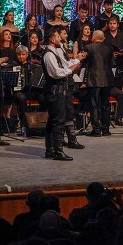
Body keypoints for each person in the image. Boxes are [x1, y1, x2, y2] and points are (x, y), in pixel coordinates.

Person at [43, 25, 87, 160]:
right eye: (57, 36)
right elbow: (56, 73)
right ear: (52, 40)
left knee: (55, 120)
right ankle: (57, 151)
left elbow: (65, 64)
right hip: (54, 91)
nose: (60, 39)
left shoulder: (56, 51)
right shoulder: (49, 54)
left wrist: (77, 60)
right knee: (58, 120)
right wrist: (71, 70)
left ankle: (51, 149)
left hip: (59, 90)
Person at [83, 30, 115, 137]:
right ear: (103, 38)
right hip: (107, 79)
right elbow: (113, 63)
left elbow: (85, 63)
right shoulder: (110, 48)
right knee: (106, 105)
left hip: (94, 80)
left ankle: (96, 130)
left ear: (93, 38)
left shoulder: (88, 47)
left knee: (94, 105)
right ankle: (106, 130)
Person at [104, 14, 123, 125]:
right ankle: (107, 114)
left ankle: (118, 115)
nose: (112, 25)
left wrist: (121, 53)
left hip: (121, 65)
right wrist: (111, 54)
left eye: (114, 23)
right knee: (109, 88)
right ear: (108, 25)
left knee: (119, 89)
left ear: (118, 25)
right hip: (108, 66)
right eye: (110, 23)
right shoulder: (105, 36)